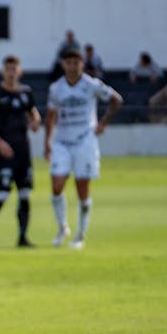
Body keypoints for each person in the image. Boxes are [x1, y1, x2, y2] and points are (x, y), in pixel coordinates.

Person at [44, 49, 122, 249]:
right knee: (57, 186)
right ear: (63, 65)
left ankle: (80, 234)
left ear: (82, 64)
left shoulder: (91, 85)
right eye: (68, 62)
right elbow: (51, 115)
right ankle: (62, 228)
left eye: (76, 62)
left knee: (82, 188)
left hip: (84, 141)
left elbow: (116, 100)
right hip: (62, 141)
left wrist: (103, 122)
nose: (72, 66)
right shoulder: (56, 88)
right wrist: (47, 141)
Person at [0, 56, 41, 248]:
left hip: (23, 150)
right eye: (8, 68)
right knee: (2, 194)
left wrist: (36, 121)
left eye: (14, 68)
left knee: (25, 193)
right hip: (4, 151)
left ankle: (22, 237)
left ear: (20, 71)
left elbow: (33, 112)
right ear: (3, 71)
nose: (11, 72)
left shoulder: (26, 92)